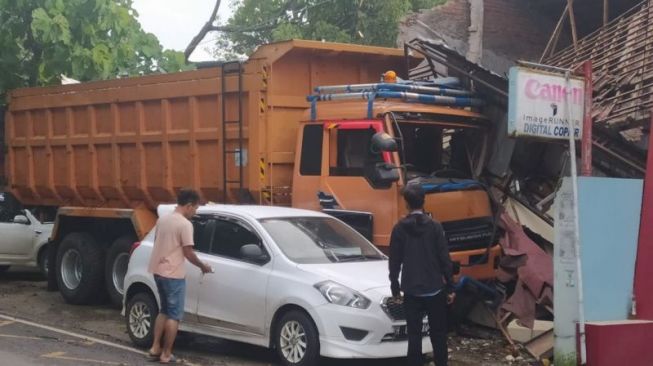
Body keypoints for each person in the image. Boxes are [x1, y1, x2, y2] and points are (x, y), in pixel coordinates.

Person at [389, 183, 455, 366]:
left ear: (406, 204)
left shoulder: (399, 229)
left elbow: (394, 261)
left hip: (411, 290)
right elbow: (444, 258)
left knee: (414, 336)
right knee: (439, 335)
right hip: (434, 289)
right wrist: (450, 287)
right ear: (423, 201)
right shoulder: (435, 227)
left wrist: (395, 289)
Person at [147, 188, 212, 364]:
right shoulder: (184, 225)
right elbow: (188, 253)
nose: (195, 212)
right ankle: (167, 354)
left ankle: (155, 347)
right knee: (174, 315)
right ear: (189, 205)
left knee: (164, 310)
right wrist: (203, 266)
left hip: (158, 271)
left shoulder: (163, 219)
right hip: (173, 274)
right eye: (196, 208)